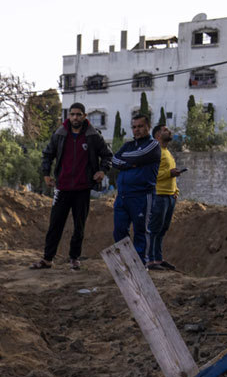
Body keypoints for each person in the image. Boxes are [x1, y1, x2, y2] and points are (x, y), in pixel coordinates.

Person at [33, 102, 112, 271]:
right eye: (72, 114)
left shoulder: (93, 136)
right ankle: (47, 259)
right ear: (69, 116)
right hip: (62, 188)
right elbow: (47, 154)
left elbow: (107, 156)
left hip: (82, 189)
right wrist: (46, 174)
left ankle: (74, 258)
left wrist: (102, 171)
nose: (75, 117)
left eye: (78, 114)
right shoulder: (60, 134)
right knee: (55, 224)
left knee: (79, 226)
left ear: (84, 116)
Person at [110, 113, 162, 266]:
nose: (137, 130)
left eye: (140, 126)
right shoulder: (128, 145)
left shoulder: (153, 145)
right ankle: (127, 262)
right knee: (119, 231)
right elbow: (114, 160)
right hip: (123, 196)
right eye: (134, 127)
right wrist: (129, 163)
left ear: (148, 127)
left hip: (142, 196)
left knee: (141, 231)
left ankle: (141, 264)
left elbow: (137, 157)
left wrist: (127, 160)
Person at [146, 126, 181, 271]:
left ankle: (158, 259)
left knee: (162, 229)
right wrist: (169, 173)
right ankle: (150, 261)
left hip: (169, 196)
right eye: (165, 129)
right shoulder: (155, 152)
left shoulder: (167, 152)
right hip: (158, 195)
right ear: (158, 135)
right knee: (154, 229)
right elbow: (151, 175)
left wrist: (175, 191)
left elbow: (170, 174)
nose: (169, 131)